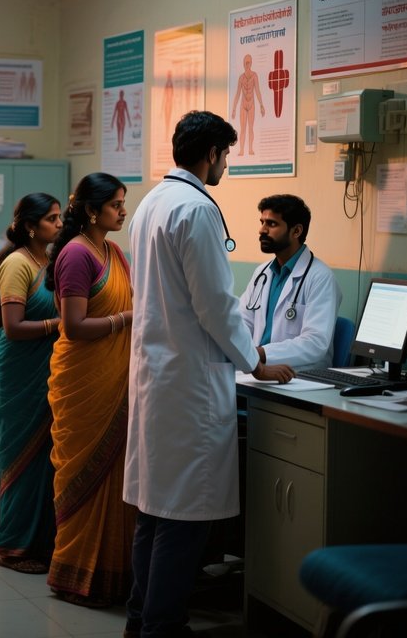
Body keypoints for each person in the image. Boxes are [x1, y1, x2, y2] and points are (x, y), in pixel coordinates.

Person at [124, 110, 294, 638]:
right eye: (227, 155)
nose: (226, 165)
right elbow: (216, 307)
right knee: (183, 516)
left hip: (161, 374)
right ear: (212, 154)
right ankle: (163, 625)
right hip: (188, 383)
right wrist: (257, 363)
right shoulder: (196, 209)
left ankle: (140, 619)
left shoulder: (151, 202)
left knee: (156, 510)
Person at [44, 172, 136, 607]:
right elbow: (74, 326)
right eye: (116, 204)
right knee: (84, 475)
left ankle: (111, 577)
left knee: (116, 479)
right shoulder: (77, 255)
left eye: (123, 203)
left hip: (115, 376)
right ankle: (74, 574)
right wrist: (126, 321)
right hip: (84, 378)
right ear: (92, 210)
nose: (122, 211)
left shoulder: (113, 251)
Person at [0, 193, 62, 574]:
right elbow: (13, 327)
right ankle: (13, 546)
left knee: (45, 462)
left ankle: (40, 542)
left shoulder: (48, 261)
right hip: (18, 372)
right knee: (20, 460)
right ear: (31, 226)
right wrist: (60, 325)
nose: (59, 224)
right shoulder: (17, 264)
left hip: (46, 370)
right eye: (52, 219)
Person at [239, 194, 341, 372]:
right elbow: (243, 322)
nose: (262, 230)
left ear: (296, 231)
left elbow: (315, 343)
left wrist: (259, 354)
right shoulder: (262, 273)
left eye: (271, 224)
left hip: (300, 376)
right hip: (258, 368)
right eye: (262, 222)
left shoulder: (320, 277)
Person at [230, 54, 265, 157]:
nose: (247, 64)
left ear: (251, 63)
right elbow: (237, 93)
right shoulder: (241, 78)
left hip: (252, 104)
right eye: (246, 63)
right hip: (243, 105)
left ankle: (250, 148)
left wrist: (261, 105)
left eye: (249, 62)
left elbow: (258, 90)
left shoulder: (254, 76)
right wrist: (234, 108)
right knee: (243, 128)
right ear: (243, 64)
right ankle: (241, 150)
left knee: (251, 127)